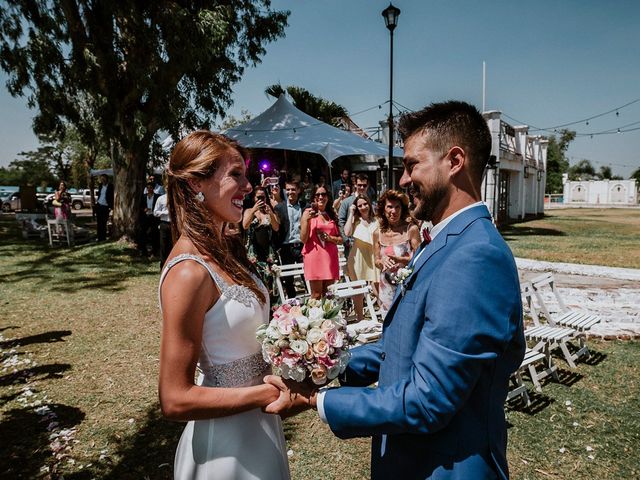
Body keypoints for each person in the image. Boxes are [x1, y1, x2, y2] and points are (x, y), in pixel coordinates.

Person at [265, 101, 526, 480]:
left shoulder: (476, 255)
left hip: (443, 468)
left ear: (454, 161)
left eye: (411, 165)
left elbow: (429, 399)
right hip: (409, 459)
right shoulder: (444, 240)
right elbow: (397, 347)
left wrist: (316, 400)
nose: (402, 180)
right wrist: (320, 366)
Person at [158, 131, 290, 479]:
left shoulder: (227, 251)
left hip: (261, 429)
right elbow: (174, 399)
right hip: (224, 448)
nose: (249, 188)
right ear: (194, 184)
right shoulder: (188, 272)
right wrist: (264, 392)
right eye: (236, 175)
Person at [373, 189, 421, 311]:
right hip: (386, 288)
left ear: (402, 209)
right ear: (383, 209)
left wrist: (403, 260)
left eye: (397, 207)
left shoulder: (411, 229)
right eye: (389, 207)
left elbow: (421, 259)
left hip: (408, 286)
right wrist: (381, 262)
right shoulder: (377, 233)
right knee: (388, 324)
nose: (393, 211)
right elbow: (376, 261)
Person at [300, 185, 342, 299]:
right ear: (313, 198)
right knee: (316, 295)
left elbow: (341, 239)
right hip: (314, 256)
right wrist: (307, 220)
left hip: (330, 257)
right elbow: (303, 239)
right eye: (317, 195)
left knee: (328, 295)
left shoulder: (331, 214)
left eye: (323, 194)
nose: (320, 197)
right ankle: (315, 316)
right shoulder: (307, 213)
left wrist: (329, 238)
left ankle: (329, 317)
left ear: (327, 197)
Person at [344, 194, 379, 321]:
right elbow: (347, 233)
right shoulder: (355, 221)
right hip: (358, 258)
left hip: (373, 256)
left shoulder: (377, 221)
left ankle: (385, 316)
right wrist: (351, 212)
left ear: (369, 204)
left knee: (377, 289)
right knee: (358, 291)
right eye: (360, 205)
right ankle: (360, 319)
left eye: (365, 204)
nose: (363, 207)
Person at [242, 186, 280, 300]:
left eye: (263, 197)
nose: (261, 200)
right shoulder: (249, 211)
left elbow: (276, 227)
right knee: (255, 282)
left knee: (269, 281)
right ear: (254, 198)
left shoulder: (270, 211)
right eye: (258, 197)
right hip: (253, 253)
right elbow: (245, 225)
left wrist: (271, 214)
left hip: (267, 252)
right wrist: (254, 210)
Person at [273, 180, 306, 298]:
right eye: (288, 189)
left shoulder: (305, 206)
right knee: (288, 279)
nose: (290, 192)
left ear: (298, 190)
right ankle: (292, 305)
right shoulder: (279, 208)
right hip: (286, 247)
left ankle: (312, 303)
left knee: (306, 275)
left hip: (302, 246)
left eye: (293, 189)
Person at [338, 173, 372, 258]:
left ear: (367, 186)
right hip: (351, 244)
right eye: (359, 185)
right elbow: (340, 222)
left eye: (364, 185)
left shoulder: (370, 202)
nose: (362, 188)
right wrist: (346, 241)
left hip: (368, 243)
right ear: (355, 185)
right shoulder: (347, 202)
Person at [139, 179, 160, 257]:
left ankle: (155, 251)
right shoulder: (144, 196)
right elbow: (140, 206)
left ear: (153, 188)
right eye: (147, 188)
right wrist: (144, 209)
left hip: (154, 217)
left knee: (154, 234)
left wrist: (154, 210)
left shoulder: (157, 197)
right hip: (145, 217)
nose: (149, 189)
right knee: (142, 233)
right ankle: (143, 251)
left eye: (150, 187)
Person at [153, 191, 172, 268]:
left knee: (172, 245)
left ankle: (171, 265)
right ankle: (163, 265)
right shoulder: (161, 198)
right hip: (164, 223)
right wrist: (165, 212)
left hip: (174, 224)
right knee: (163, 245)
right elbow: (155, 212)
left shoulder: (176, 197)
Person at [95, 174, 114, 241]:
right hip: (99, 205)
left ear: (107, 179)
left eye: (104, 178)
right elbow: (100, 195)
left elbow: (112, 197)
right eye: (101, 178)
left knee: (104, 222)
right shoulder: (100, 186)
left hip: (106, 206)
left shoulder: (110, 186)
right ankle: (99, 237)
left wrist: (111, 206)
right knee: (99, 222)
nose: (102, 180)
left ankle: (103, 237)